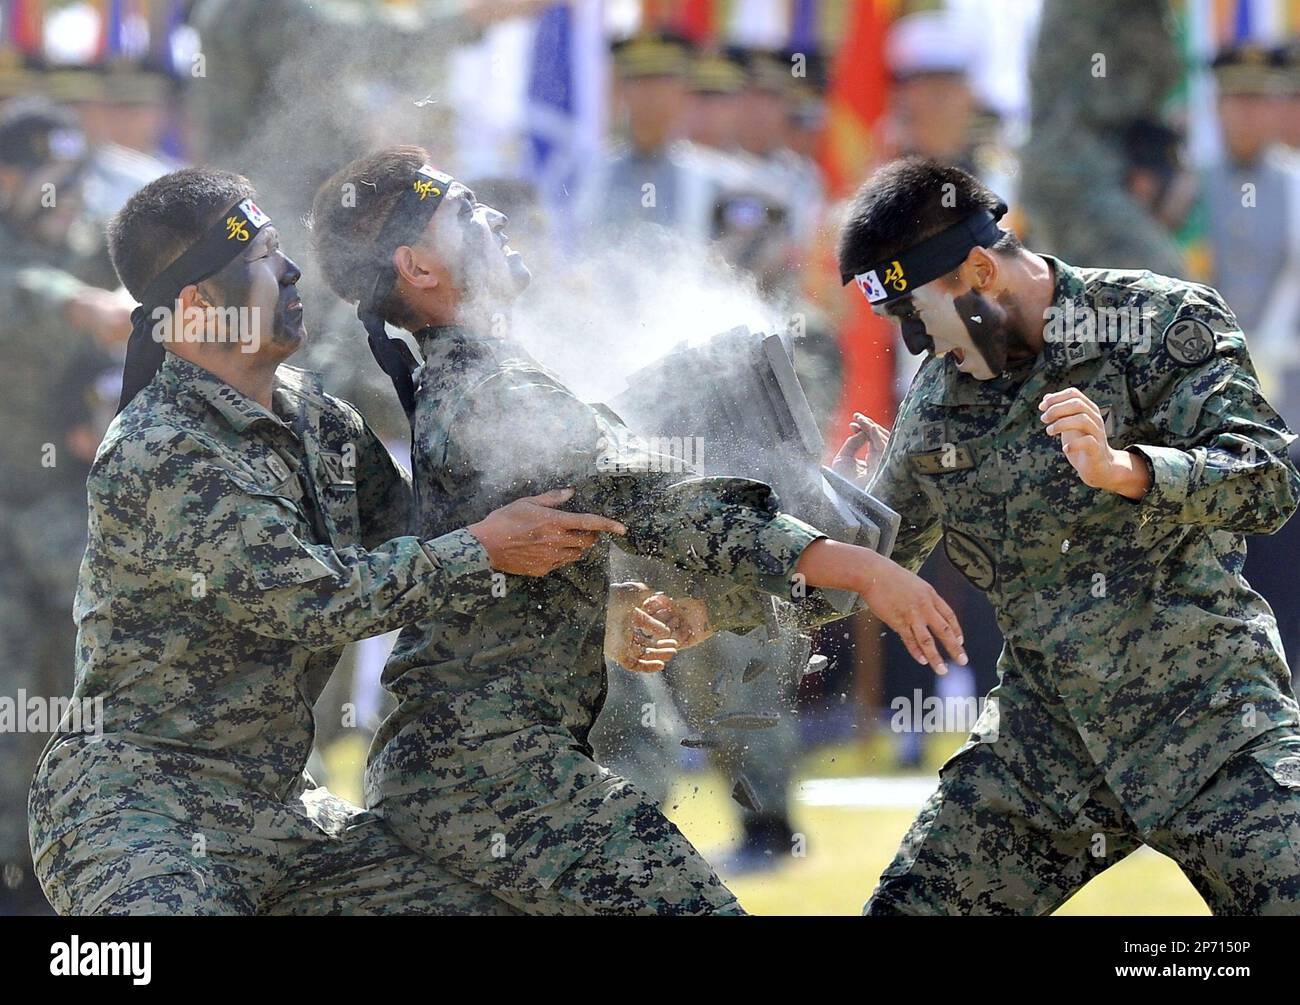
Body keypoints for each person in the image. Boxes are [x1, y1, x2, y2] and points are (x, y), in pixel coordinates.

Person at [308, 147, 967, 915]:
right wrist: (852, 564)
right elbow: (655, 495)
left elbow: (563, 526)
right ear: (419, 268)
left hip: (471, 766)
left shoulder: (479, 376)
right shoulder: (491, 389)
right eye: (462, 210)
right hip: (492, 773)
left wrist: (608, 596)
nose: (490, 216)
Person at [26, 167, 635, 915]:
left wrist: (599, 602)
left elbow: (426, 547)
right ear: (195, 306)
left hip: (283, 814)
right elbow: (317, 598)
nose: (289, 271)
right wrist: (483, 547)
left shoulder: (320, 418)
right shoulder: (160, 448)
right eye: (262, 258)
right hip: (136, 811)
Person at [838, 156, 1300, 915]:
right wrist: (726, 595)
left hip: (1211, 718)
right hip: (1046, 746)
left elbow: (1269, 476)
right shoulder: (937, 404)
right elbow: (869, 557)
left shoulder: (1158, 320)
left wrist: (1130, 469)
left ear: (981, 269)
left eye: (921, 317)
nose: (920, 347)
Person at [0, 100, 133, 914]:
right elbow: (24, 294)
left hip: (56, 517)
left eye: (75, 184)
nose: (69, 201)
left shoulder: (86, 247)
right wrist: (79, 306)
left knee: (70, 686)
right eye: (51, 185)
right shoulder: (45, 270)